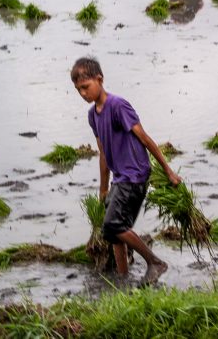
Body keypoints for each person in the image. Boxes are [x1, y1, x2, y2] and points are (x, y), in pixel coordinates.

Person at [71, 57, 181, 285]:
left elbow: (145, 138)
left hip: (135, 174)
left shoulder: (118, 105)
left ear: (99, 80)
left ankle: (155, 263)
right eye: (78, 89)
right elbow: (103, 153)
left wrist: (168, 172)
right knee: (112, 233)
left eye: (86, 87)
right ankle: (122, 280)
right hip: (120, 178)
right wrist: (103, 189)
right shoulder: (93, 115)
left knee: (114, 225)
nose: (83, 93)